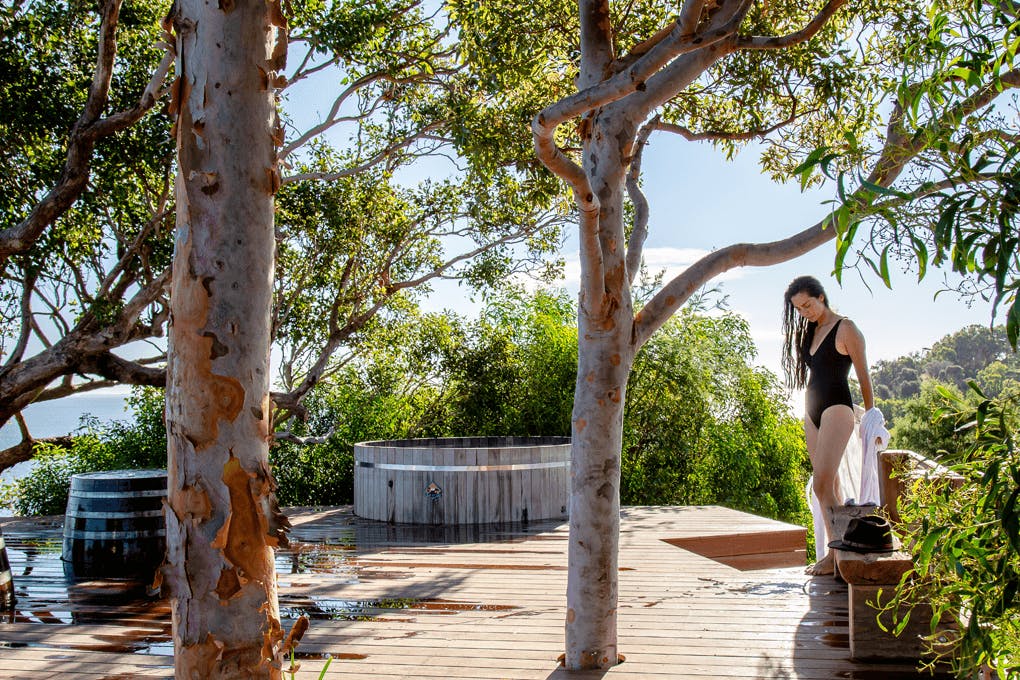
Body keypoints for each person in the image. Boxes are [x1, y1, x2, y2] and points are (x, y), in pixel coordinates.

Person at [781, 275, 874, 576]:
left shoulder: (846, 328)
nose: (804, 312)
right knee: (829, 485)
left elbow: (863, 375)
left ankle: (836, 554)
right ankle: (837, 552)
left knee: (821, 484)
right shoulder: (810, 330)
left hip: (837, 407)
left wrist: (871, 415)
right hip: (811, 410)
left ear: (821, 297)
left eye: (807, 305)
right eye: (798, 308)